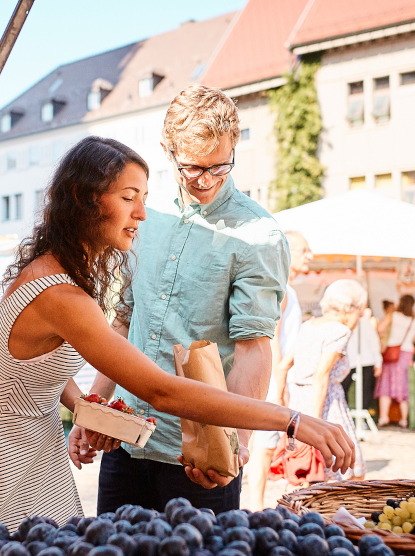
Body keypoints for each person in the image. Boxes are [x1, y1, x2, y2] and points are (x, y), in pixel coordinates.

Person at [0, 137, 355, 556]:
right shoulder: (61, 294)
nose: (142, 214)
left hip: (28, 445)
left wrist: (88, 409)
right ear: (85, 199)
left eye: (143, 198)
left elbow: (38, 372)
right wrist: (290, 419)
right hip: (8, 456)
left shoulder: (55, 273)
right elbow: (160, 390)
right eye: (129, 198)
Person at [85, 85, 291, 515]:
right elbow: (123, 323)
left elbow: (254, 347)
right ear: (167, 149)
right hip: (125, 446)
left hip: (197, 458)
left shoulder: (259, 235)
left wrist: (237, 445)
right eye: (193, 167)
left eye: (220, 166)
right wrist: (95, 407)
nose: (206, 181)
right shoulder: (145, 217)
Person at [272, 279, 369, 483]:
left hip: (299, 402)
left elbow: (283, 366)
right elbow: (321, 376)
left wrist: (281, 400)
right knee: (351, 469)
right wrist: (315, 423)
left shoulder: (309, 325)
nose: (360, 316)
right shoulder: (340, 331)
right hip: (325, 403)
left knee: (311, 472)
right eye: (360, 311)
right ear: (350, 309)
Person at [245, 230, 312, 511]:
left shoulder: (287, 288)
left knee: (266, 445)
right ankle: (255, 506)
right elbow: (272, 337)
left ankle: (256, 503)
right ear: (288, 252)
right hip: (273, 375)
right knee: (263, 445)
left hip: (276, 374)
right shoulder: (281, 288)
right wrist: (280, 381)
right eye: (304, 250)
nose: (310, 256)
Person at [376, 294, 415, 427]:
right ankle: (404, 419)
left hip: (392, 352)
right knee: (403, 383)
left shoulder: (393, 315)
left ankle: (384, 417)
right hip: (407, 354)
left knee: (386, 384)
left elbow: (379, 329)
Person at [341, 307, 382, 416]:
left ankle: (361, 418)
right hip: (350, 360)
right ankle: (344, 414)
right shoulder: (342, 322)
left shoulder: (364, 322)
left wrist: (378, 361)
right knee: (343, 389)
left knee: (365, 391)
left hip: (364, 360)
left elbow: (374, 341)